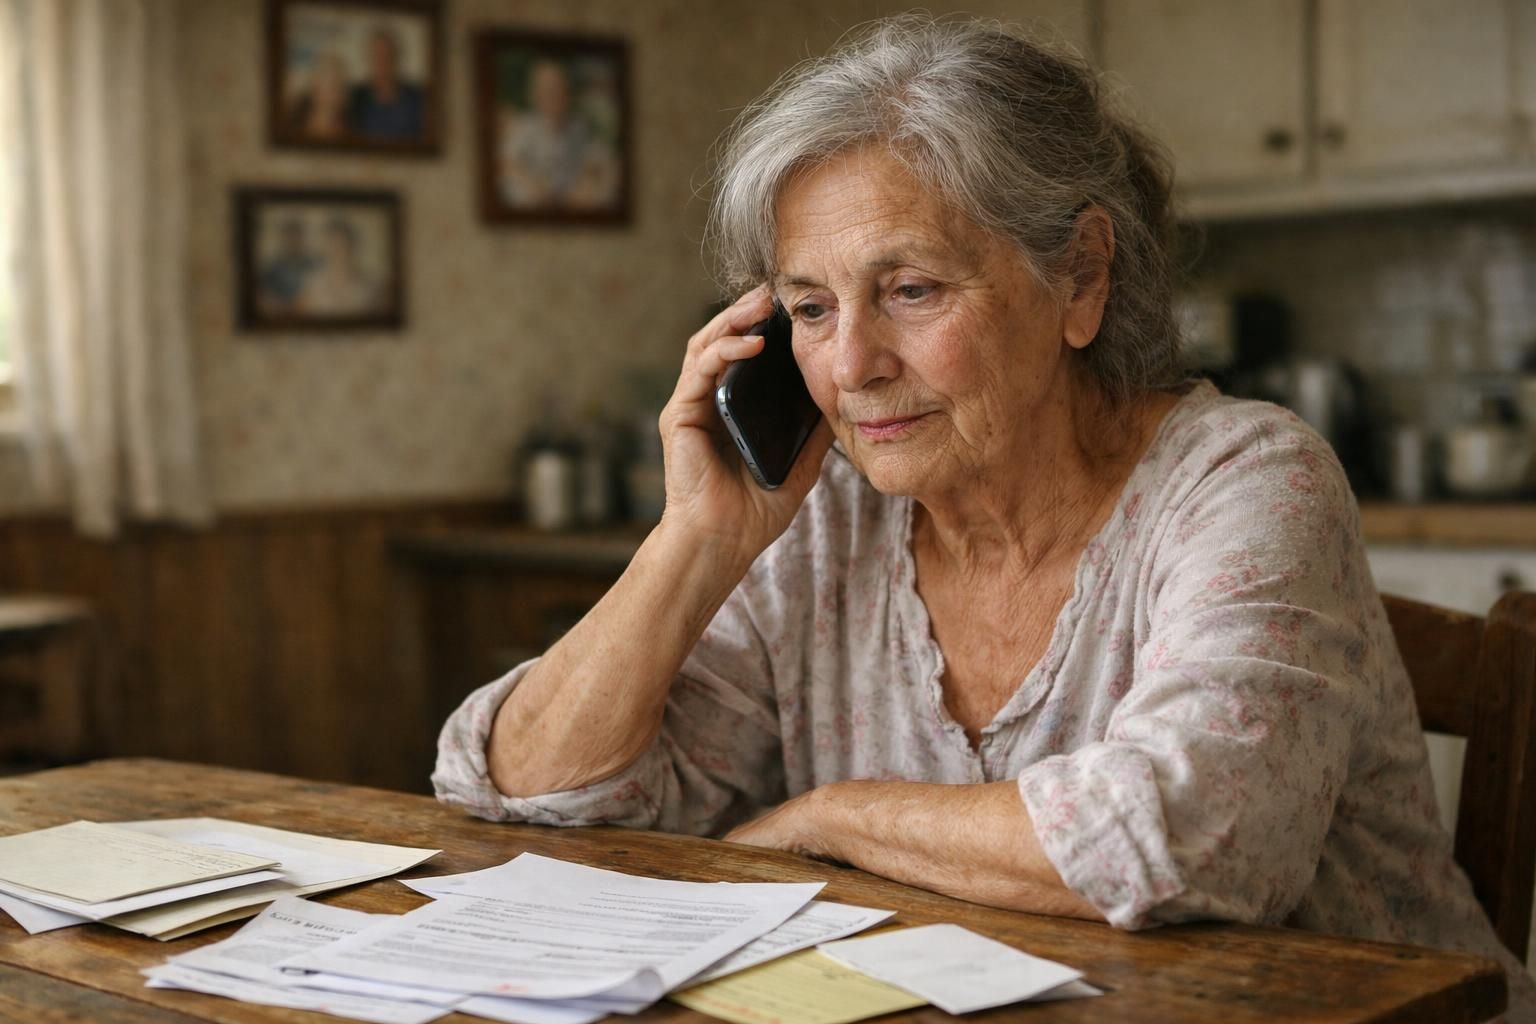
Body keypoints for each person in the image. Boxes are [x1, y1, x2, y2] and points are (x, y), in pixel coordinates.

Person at [434, 16, 1534, 1017]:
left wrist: (831, 818)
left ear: (1081, 277)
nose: (852, 365)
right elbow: (525, 792)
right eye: (811, 308)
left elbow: (1185, 837)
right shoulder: (826, 521)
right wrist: (697, 540)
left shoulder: (1250, 479)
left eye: (912, 289)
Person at [497, 59, 618, 209]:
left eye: (558, 89)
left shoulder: (578, 127)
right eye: (546, 90)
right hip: (536, 196)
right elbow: (508, 162)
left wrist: (585, 182)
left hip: (570, 199)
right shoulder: (526, 127)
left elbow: (595, 159)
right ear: (535, 95)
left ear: (567, 94)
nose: (553, 96)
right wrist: (530, 183)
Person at [346, 26, 424, 140]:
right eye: (377, 56)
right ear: (368, 58)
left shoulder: (416, 98)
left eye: (387, 56)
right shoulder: (356, 98)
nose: (382, 62)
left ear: (397, 57)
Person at [299, 218, 380, 316]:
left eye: (341, 244)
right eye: (331, 244)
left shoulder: (369, 286)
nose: (336, 250)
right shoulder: (312, 285)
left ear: (351, 246)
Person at [256, 218, 316, 316]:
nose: (293, 243)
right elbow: (266, 297)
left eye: (297, 238)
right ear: (284, 240)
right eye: (290, 238)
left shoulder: (311, 265)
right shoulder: (273, 270)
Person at [286, 51, 350, 141]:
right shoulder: (294, 123)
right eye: (327, 80)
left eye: (337, 83)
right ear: (314, 84)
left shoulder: (349, 130)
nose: (333, 91)